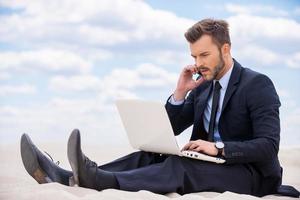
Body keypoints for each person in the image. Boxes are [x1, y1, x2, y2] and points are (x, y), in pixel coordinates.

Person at [20, 18, 299, 197]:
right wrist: (179, 93)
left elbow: (268, 145)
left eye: (204, 54)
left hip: (251, 175)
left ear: (225, 49)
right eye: (194, 56)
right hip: (211, 166)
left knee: (180, 164)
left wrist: (218, 148)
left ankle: (99, 179)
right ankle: (71, 177)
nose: (198, 62)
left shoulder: (257, 84)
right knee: (153, 154)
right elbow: (173, 128)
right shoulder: (202, 86)